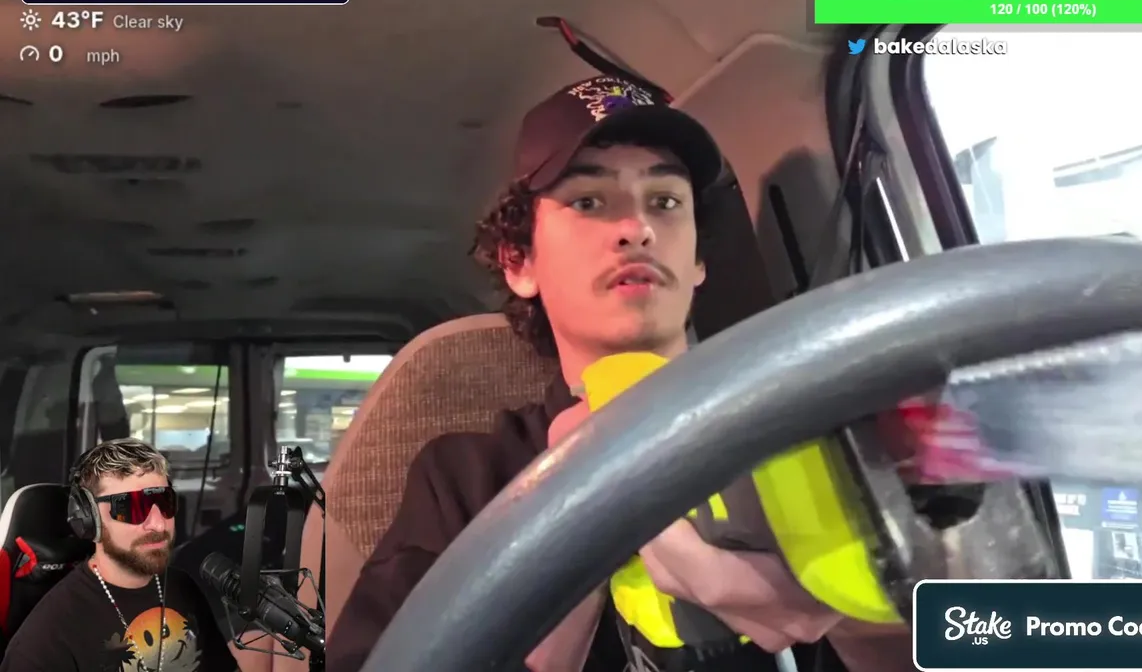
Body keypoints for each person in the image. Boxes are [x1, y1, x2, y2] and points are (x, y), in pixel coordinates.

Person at [328, 76, 913, 671]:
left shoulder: (809, 435)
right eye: (588, 202)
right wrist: (584, 502)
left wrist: (856, 615)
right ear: (519, 262)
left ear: (698, 260)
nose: (638, 228)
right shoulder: (464, 478)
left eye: (665, 202)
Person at [0, 438, 242, 672]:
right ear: (88, 519)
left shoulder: (182, 587)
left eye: (164, 502)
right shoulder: (44, 642)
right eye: (132, 508)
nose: (158, 524)